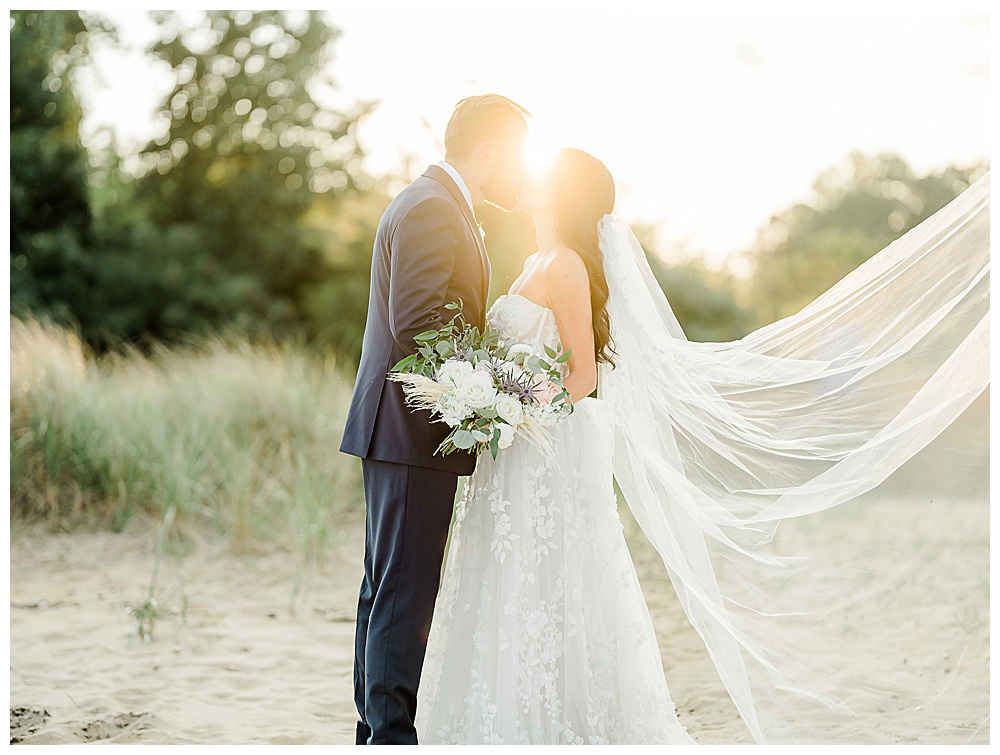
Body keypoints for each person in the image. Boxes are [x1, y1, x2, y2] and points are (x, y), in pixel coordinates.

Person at [414, 149, 990, 744]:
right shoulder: (535, 259)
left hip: (543, 443)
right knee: (514, 577)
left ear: (563, 195)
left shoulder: (562, 265)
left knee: (550, 576)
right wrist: (490, 398)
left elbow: (582, 375)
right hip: (517, 444)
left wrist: (509, 407)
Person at [339, 94, 530, 745]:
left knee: (385, 587)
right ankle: (390, 736)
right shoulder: (430, 208)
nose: (523, 175)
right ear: (489, 151)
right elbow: (417, 325)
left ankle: (373, 732)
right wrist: (492, 391)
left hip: (396, 430)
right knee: (402, 592)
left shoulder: (431, 202)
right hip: (412, 429)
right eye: (519, 158)